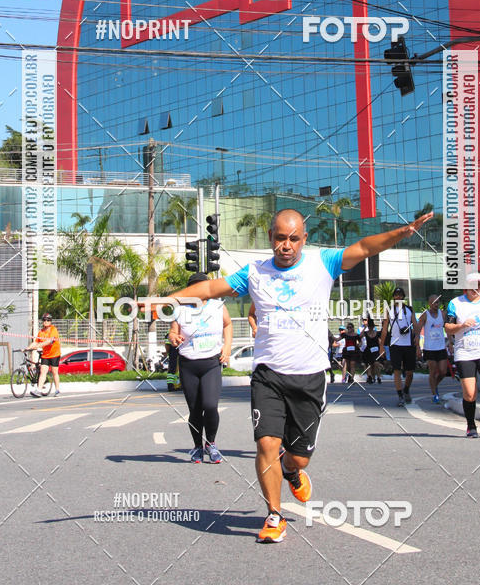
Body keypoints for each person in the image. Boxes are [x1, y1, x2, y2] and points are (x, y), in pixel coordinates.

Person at [170, 207, 432, 542]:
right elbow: (209, 290)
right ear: (271, 238)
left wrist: (403, 231)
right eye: (280, 238)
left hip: (310, 377)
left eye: (294, 238)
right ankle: (274, 515)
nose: (286, 245)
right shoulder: (254, 272)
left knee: (299, 458)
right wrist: (166, 300)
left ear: (304, 239)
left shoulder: (323, 262)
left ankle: (291, 470)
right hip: (268, 374)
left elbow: (365, 248)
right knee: (266, 443)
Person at [168, 272, 232, 463]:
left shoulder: (217, 305)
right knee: (195, 410)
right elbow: (173, 331)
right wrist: (173, 337)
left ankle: (211, 444)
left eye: (202, 287)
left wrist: (227, 347)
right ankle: (197, 446)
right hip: (189, 363)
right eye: (194, 287)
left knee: (211, 406)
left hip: (211, 362)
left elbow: (227, 325)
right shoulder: (180, 310)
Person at [444, 271, 480, 437]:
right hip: (465, 352)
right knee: (470, 393)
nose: (475, 288)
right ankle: (471, 425)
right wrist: (461, 326)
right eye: (472, 285)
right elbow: (448, 327)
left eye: (479, 285)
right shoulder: (456, 303)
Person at [380, 286, 420, 406]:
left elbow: (416, 326)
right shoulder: (389, 310)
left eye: (400, 295)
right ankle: (400, 395)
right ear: (393, 297)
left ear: (403, 297)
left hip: (408, 344)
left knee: (409, 372)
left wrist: (417, 340)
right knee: (396, 370)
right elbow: (385, 329)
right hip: (395, 344)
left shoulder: (409, 310)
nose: (398, 297)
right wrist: (382, 345)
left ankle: (406, 389)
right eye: (396, 295)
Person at [418, 295, 448, 403]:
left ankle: (434, 385)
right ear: (429, 304)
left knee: (443, 371)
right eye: (434, 302)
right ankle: (435, 394)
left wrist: (450, 343)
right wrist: (417, 346)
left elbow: (448, 328)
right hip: (429, 348)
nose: (436, 304)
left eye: (437, 302)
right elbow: (417, 330)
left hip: (441, 347)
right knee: (433, 371)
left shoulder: (443, 314)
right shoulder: (425, 315)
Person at [25, 312, 61, 397]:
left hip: (54, 354)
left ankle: (57, 390)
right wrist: (28, 348)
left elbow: (49, 341)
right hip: (46, 355)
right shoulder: (41, 332)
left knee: (54, 372)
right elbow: (36, 342)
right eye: (44, 320)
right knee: (43, 371)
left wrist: (38, 346)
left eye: (48, 320)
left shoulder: (53, 330)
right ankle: (39, 390)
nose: (46, 321)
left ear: (50, 321)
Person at [360, 315, 382, 384]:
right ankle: (370, 377)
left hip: (375, 350)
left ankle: (378, 377)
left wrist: (381, 348)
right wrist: (365, 327)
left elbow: (380, 342)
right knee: (368, 364)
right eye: (369, 326)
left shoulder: (377, 333)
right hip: (368, 350)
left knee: (376, 363)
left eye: (372, 326)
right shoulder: (366, 333)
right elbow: (360, 336)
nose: (371, 327)